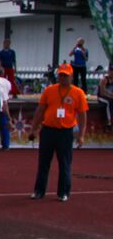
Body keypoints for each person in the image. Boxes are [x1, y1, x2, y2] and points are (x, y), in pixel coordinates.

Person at [30, 64, 88, 202]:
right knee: (43, 162)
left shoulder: (78, 93)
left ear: (72, 77)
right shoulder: (49, 90)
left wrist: (81, 135)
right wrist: (34, 128)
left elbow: (82, 115)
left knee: (65, 163)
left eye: (65, 75)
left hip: (66, 132)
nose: (62, 78)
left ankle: (63, 192)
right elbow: (40, 110)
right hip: (48, 130)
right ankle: (39, 191)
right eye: (61, 75)